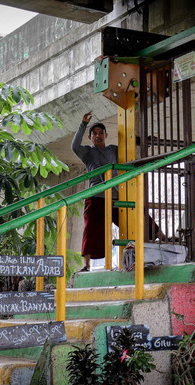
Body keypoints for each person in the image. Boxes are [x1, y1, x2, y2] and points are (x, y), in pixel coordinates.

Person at [71, 111, 120, 272]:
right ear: (90, 137)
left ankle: (160, 236)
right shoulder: (88, 152)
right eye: (94, 134)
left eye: (101, 133)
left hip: (114, 197)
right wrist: (83, 124)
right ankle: (86, 265)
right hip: (96, 196)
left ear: (106, 135)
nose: (98, 136)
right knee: (90, 230)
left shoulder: (114, 150)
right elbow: (74, 146)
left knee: (134, 219)